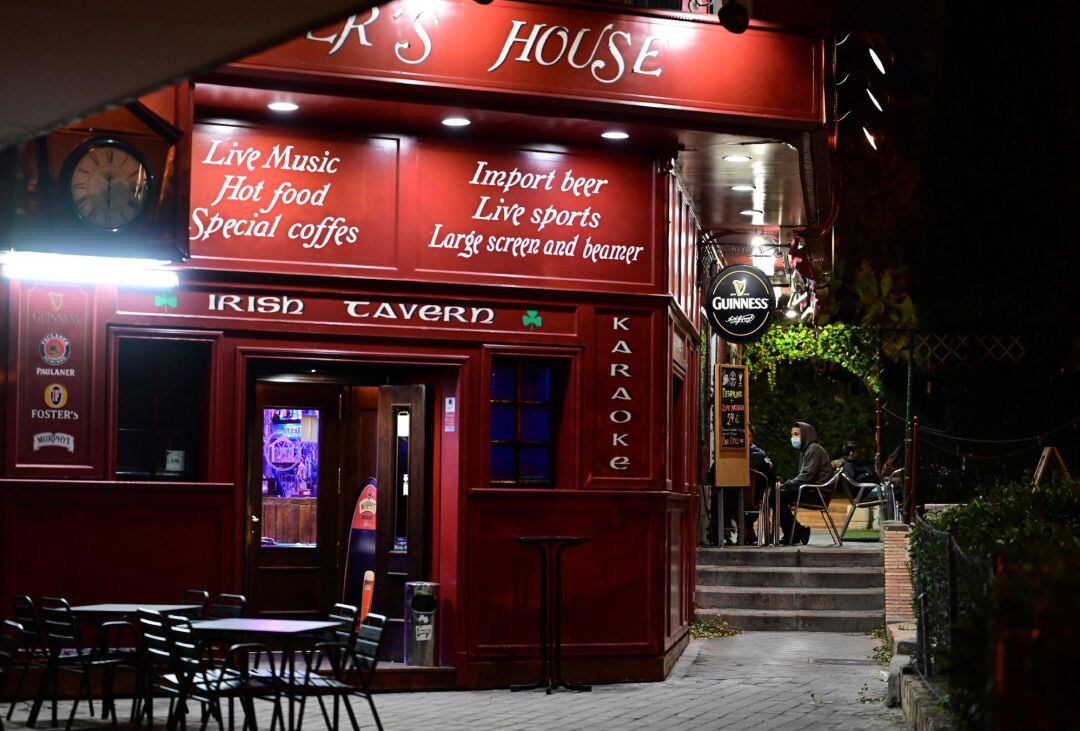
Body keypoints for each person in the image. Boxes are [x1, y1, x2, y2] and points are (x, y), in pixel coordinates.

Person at [776, 421, 834, 544]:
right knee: (777, 496)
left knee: (777, 496)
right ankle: (797, 531)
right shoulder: (807, 450)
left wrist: (786, 484)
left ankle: (795, 533)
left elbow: (807, 476)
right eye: (792, 435)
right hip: (811, 490)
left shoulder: (813, 449)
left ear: (806, 435)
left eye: (796, 434)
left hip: (817, 493)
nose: (793, 438)